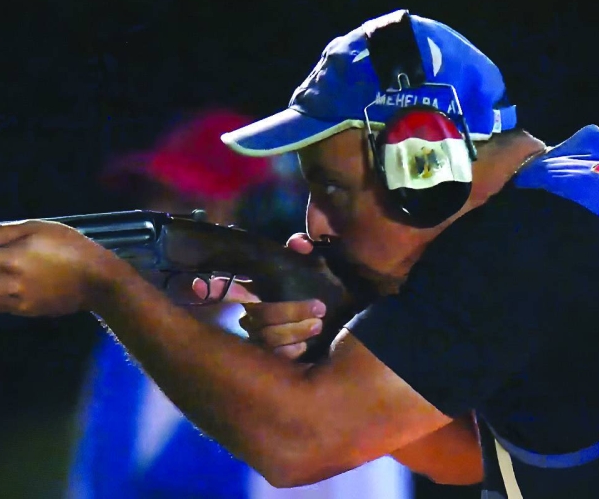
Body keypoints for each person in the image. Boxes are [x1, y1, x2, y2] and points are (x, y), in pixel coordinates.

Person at [0, 9, 599, 498]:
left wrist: (105, 282)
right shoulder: (583, 194)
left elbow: (298, 443)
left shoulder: (520, 248)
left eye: (330, 187)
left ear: (426, 164)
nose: (313, 223)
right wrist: (341, 349)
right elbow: (470, 452)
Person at [66, 108, 412, 499]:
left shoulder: (324, 371)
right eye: (153, 202)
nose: (157, 229)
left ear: (258, 225)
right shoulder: (119, 351)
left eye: (188, 206)